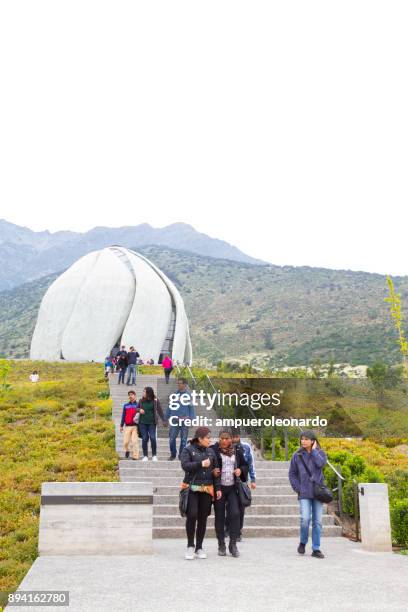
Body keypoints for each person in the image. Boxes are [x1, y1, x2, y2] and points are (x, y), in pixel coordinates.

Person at [180, 427, 221, 560]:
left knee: (203, 518)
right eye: (208, 438)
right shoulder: (188, 449)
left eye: (210, 437)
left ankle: (199, 547)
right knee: (191, 515)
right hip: (192, 488)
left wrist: (218, 488)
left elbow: (216, 471)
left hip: (207, 489)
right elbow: (185, 465)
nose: (210, 440)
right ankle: (190, 546)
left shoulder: (211, 451)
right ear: (200, 438)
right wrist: (200, 464)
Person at [288, 430, 327, 559]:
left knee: (318, 522)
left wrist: (314, 451)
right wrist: (297, 488)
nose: (303, 441)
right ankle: (303, 541)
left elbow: (321, 464)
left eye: (306, 439)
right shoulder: (297, 455)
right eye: (302, 439)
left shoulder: (320, 453)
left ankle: (316, 548)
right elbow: (292, 474)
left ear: (313, 441)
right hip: (304, 492)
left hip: (317, 493)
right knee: (305, 519)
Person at [212, 430, 248, 558]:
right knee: (220, 516)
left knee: (235, 513)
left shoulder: (237, 450)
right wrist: (213, 471)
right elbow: (208, 467)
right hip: (219, 488)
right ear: (219, 438)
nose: (224, 441)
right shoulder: (213, 450)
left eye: (227, 438)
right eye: (222, 438)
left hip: (233, 488)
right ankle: (221, 544)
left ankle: (233, 545)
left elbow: (245, 465)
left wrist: (240, 470)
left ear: (231, 439)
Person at [226, 427, 256, 541]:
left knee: (241, 507)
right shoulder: (224, 447)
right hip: (227, 481)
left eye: (236, 437)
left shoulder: (246, 447)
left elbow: (250, 464)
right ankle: (227, 529)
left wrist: (253, 480)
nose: (234, 439)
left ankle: (238, 531)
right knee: (228, 507)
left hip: (242, 480)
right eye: (232, 437)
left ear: (239, 436)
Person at [165, 378, 195, 461]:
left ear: (185, 385)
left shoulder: (188, 396)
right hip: (174, 420)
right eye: (178, 383)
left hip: (185, 421)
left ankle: (181, 455)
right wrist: (165, 418)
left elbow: (191, 408)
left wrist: (192, 420)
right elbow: (169, 407)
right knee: (171, 439)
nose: (178, 385)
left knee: (183, 440)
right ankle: (173, 454)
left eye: (180, 383)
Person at [137, 386, 166, 461]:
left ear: (148, 393)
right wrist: (139, 409)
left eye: (144, 391)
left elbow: (159, 410)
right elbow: (136, 409)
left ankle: (154, 455)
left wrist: (164, 420)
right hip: (142, 423)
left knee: (153, 438)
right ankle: (145, 456)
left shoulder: (155, 401)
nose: (143, 393)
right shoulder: (141, 400)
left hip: (152, 423)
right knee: (145, 438)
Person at [119, 390, 140, 460]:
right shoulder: (126, 405)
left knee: (134, 441)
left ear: (135, 395)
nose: (130, 396)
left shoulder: (138, 405)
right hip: (127, 426)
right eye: (129, 395)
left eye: (132, 394)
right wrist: (121, 425)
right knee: (125, 442)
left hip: (135, 426)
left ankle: (135, 456)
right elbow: (123, 416)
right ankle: (127, 450)